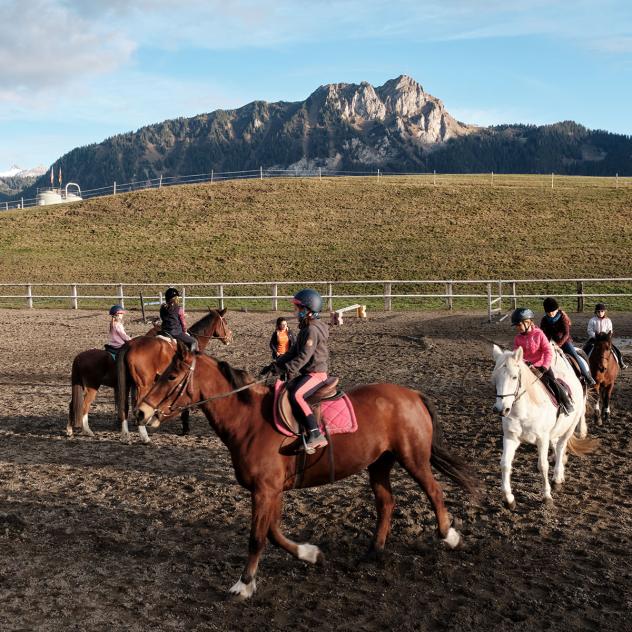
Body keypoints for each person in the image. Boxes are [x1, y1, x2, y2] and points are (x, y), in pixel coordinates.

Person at [261, 288, 329, 453]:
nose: (295, 311)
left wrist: (286, 368)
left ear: (308, 311)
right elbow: (292, 352)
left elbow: (303, 357)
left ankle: (315, 433)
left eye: (298, 308)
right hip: (308, 373)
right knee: (287, 389)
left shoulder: (312, 330)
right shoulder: (306, 328)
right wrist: (275, 364)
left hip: (316, 374)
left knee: (296, 394)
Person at [512, 307, 574, 414]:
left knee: (552, 382)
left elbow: (548, 351)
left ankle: (566, 403)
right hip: (526, 368)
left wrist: (544, 367)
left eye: (519, 325)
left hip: (541, 367)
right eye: (516, 326)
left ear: (528, 322)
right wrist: (525, 362)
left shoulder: (539, 334)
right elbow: (517, 354)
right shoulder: (518, 338)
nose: (517, 328)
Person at [540, 297, 596, 386]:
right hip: (551, 342)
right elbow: (543, 334)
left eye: (552, 312)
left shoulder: (563, 317)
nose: (550, 314)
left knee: (575, 356)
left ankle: (587, 376)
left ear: (557, 309)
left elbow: (566, 333)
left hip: (565, 341)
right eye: (548, 312)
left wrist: (558, 345)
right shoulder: (544, 320)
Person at [584, 302, 627, 368]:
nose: (600, 313)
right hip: (594, 339)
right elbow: (589, 330)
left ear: (604, 312)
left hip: (605, 339)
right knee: (585, 349)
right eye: (598, 311)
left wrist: (606, 336)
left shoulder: (608, 320)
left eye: (602, 311)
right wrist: (595, 336)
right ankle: (583, 363)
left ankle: (621, 363)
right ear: (596, 312)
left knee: (616, 350)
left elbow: (610, 330)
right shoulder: (592, 320)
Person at [159, 287, 198, 352]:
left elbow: (162, 318)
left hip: (164, 331)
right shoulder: (179, 309)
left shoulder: (162, 308)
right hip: (175, 333)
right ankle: (191, 359)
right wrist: (185, 331)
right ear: (175, 299)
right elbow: (183, 324)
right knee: (194, 342)